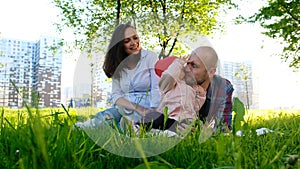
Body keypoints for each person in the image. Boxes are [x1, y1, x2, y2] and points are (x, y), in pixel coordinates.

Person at [74, 22, 160, 130]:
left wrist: (152, 111)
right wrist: (136, 107)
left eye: (135, 38)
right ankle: (86, 126)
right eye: (127, 41)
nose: (134, 43)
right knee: (106, 119)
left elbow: (156, 87)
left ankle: (128, 128)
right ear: (120, 45)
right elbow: (116, 95)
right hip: (124, 107)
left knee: (124, 126)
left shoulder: (150, 57)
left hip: (147, 109)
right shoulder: (118, 64)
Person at [135, 56, 207, 133]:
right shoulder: (168, 85)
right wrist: (178, 63)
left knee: (196, 124)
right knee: (153, 116)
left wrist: (201, 96)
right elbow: (170, 76)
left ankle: (166, 134)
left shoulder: (191, 89)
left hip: (182, 120)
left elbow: (195, 108)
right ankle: (137, 127)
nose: (186, 68)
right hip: (167, 115)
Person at [185, 46, 234, 131]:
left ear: (210, 72)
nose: (186, 69)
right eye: (187, 63)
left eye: (194, 65)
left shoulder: (223, 87)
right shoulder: (177, 84)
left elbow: (223, 128)